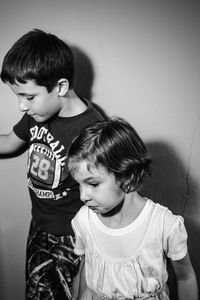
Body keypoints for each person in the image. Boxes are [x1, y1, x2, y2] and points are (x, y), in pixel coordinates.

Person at [0, 29, 104, 299]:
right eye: (18, 96)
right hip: (39, 228)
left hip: (75, 238)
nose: (22, 106)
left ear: (60, 87)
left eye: (29, 96)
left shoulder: (91, 130)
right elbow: (10, 141)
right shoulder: (37, 115)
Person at [67, 117, 198, 300]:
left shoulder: (164, 225)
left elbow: (185, 277)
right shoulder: (84, 220)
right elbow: (86, 266)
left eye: (93, 184)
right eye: (79, 185)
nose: (83, 196)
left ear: (128, 178)